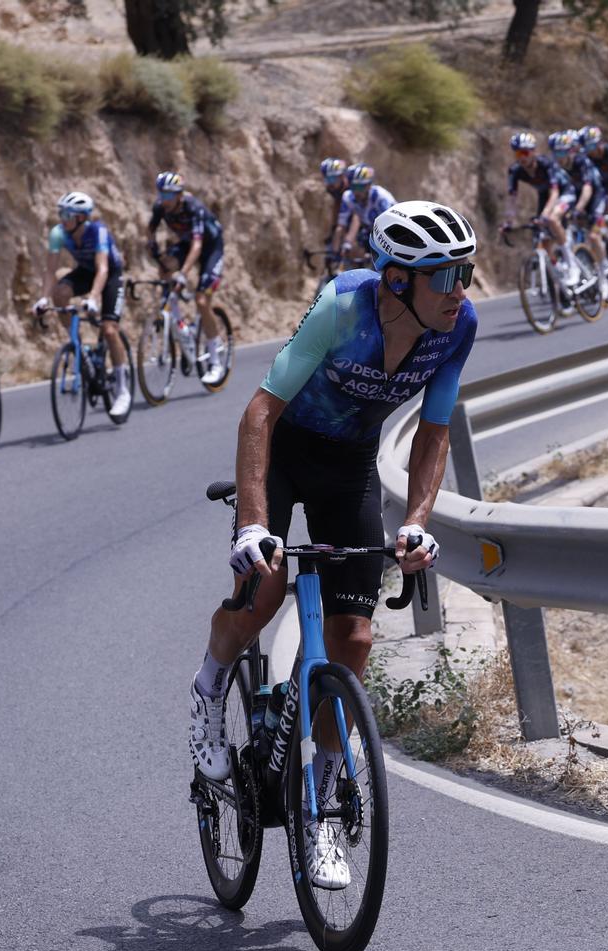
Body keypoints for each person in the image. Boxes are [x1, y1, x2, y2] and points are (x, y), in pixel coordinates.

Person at [186, 200, 478, 889]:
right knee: (266, 586)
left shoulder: (455, 325)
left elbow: (433, 432)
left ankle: (320, 798)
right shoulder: (342, 309)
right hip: (286, 451)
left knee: (357, 636)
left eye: (466, 271)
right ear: (399, 280)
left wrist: (418, 521)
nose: (460, 288)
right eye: (445, 275)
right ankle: (207, 689)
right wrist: (255, 522)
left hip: (350, 466)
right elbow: (260, 410)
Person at [32, 191, 132, 420]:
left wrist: (93, 298)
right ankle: (77, 344)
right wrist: (43, 298)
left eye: (67, 214)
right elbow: (50, 270)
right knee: (60, 293)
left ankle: (122, 388)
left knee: (108, 329)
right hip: (85, 272)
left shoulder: (98, 232)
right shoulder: (58, 233)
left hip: (109, 275)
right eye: (60, 213)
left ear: (81, 218)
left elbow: (103, 269)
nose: (62, 218)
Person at [145, 171, 226, 386]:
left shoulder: (194, 207)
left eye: (169, 195)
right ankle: (177, 314)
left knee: (202, 300)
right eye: (162, 194)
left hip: (211, 248)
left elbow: (198, 246)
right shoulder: (160, 207)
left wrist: (183, 274)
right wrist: (153, 248)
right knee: (165, 268)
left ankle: (216, 360)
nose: (164, 199)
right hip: (187, 243)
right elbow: (151, 230)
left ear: (179, 195)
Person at [502, 131, 579, 286]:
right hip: (545, 195)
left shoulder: (546, 164)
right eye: (518, 154)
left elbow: (555, 192)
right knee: (544, 240)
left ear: (534, 152)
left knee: (551, 218)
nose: (522, 157)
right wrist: (508, 221)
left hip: (565, 192)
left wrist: (545, 214)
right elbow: (512, 197)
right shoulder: (515, 170)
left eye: (525, 152)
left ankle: (572, 265)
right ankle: (557, 269)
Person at [328, 163, 396, 268]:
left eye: (360, 186)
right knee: (353, 249)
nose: (356, 191)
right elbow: (341, 226)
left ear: (369, 185)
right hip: (370, 230)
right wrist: (334, 252)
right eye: (353, 186)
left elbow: (391, 228)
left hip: (391, 231)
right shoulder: (348, 197)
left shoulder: (381, 198)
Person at [316, 157, 349, 257]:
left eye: (332, 179)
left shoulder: (350, 191)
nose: (329, 183)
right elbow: (336, 208)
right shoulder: (335, 189)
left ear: (341, 176)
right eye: (326, 179)